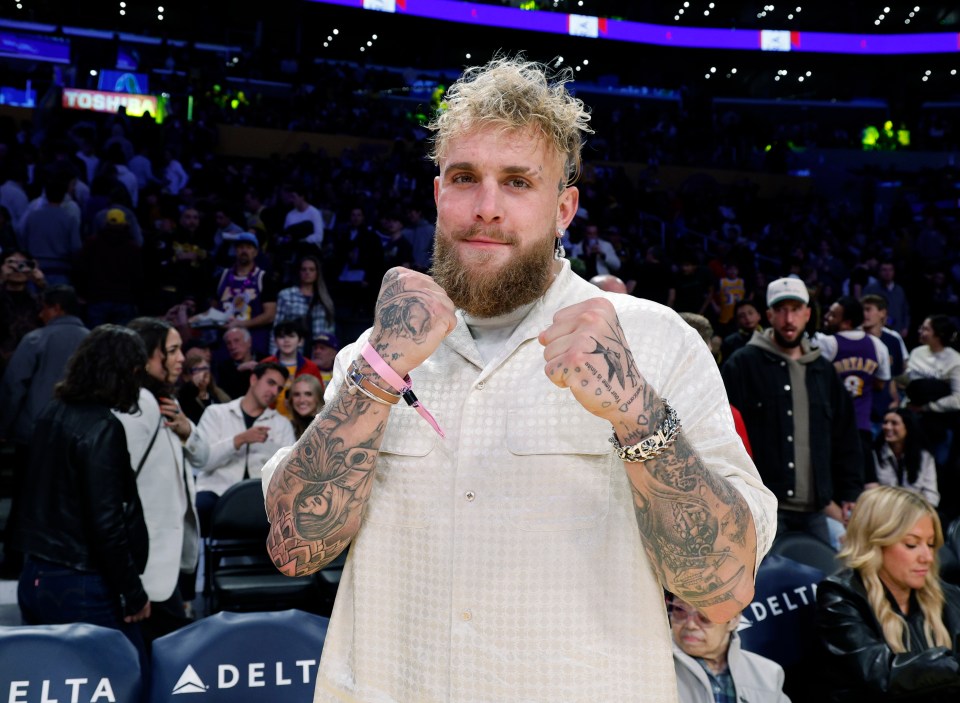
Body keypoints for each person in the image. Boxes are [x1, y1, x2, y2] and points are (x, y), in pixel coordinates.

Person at [263, 56, 776, 702]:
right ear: (436, 193)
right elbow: (293, 547)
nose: (486, 208)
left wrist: (634, 409)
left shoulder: (655, 342)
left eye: (516, 182)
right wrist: (380, 371)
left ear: (564, 208)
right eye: (464, 177)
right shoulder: (375, 351)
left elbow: (723, 584)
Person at [13, 325, 151, 666]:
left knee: (56, 682)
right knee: (129, 676)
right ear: (124, 371)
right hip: (80, 583)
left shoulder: (51, 412)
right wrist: (134, 595)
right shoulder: (102, 428)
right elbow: (107, 525)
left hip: (35, 575)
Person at [723, 277, 863, 547]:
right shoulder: (742, 364)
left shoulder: (823, 370)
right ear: (770, 315)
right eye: (781, 309)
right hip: (764, 508)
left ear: (808, 314)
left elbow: (845, 436)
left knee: (831, 577)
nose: (789, 318)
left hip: (817, 508)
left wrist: (850, 492)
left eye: (796, 309)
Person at [816, 486, 960, 702]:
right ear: (875, 542)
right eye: (912, 544)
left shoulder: (945, 593)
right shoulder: (840, 595)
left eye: (930, 545)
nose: (927, 557)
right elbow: (879, 674)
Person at [114, 317, 208, 641]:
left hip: (174, 553)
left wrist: (187, 431)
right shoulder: (132, 403)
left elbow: (203, 456)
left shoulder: (167, 400)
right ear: (148, 356)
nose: (182, 358)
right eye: (173, 350)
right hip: (146, 559)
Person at [0, 285, 88, 578]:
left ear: (56, 308)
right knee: (74, 500)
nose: (40, 313)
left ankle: (14, 565)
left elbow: (14, 387)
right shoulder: (94, 342)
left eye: (44, 307)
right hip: (83, 437)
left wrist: (5, 427)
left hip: (34, 436)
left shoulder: (35, 338)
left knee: (26, 499)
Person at [195, 360, 296, 534]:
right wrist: (239, 440)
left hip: (261, 497)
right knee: (200, 505)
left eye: (279, 389)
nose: (274, 392)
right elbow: (204, 461)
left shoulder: (281, 424)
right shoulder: (216, 414)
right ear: (253, 379)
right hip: (217, 491)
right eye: (270, 383)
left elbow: (289, 473)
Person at [668, 592, 790, 703]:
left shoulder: (767, 675)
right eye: (679, 610)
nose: (690, 625)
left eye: (704, 615)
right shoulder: (656, 668)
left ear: (733, 620)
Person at [873, 409, 940, 507]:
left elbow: (931, 495)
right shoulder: (874, 453)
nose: (887, 427)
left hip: (914, 511)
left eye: (894, 423)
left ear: (908, 427)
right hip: (883, 510)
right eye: (885, 422)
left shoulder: (924, 457)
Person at [272, 254, 336, 355]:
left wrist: (331, 356)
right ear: (299, 272)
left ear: (317, 273)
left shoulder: (325, 299)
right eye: (304, 269)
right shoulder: (286, 295)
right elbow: (277, 327)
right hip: (293, 352)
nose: (307, 272)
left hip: (318, 352)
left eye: (311, 269)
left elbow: (330, 330)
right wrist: (274, 354)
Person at [262, 320, 324, 419]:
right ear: (275, 341)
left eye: (291, 336)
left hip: (304, 422)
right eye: (281, 337)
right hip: (269, 421)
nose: (286, 340)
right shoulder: (266, 365)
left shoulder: (312, 367)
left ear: (300, 341)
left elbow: (320, 399)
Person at [177, 347, 230, 425]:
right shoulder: (182, 396)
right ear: (186, 376)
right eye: (197, 370)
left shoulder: (216, 391)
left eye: (205, 369)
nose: (203, 374)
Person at [288, 374, 324, 439]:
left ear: (318, 397)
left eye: (308, 394)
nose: (301, 400)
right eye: (297, 394)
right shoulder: (288, 427)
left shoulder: (328, 427)